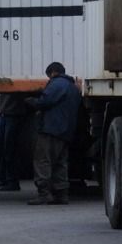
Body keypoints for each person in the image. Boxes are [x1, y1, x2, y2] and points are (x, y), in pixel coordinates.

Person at [25, 62, 80, 206]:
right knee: (60, 163)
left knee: (43, 160)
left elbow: (45, 101)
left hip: (51, 129)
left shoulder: (57, 84)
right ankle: (61, 194)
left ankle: (44, 194)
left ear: (53, 72)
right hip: (66, 131)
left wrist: (31, 101)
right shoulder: (73, 87)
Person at [0, 94, 25, 192]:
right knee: (0, 150)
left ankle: (11, 181)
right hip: (4, 114)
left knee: (9, 150)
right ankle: (4, 180)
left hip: (13, 114)